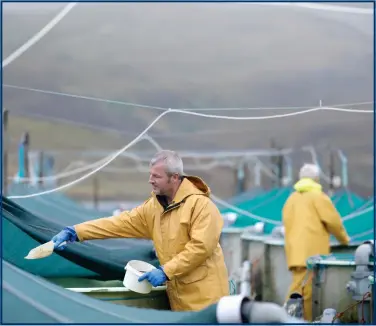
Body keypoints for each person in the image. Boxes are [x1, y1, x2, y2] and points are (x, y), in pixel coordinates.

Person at [51, 150, 229, 311]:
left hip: (208, 302)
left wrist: (165, 271)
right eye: (150, 175)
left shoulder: (201, 206)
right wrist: (76, 231)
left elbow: (201, 247)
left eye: (156, 176)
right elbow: (118, 223)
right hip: (179, 304)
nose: (150, 180)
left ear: (174, 177)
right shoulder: (154, 208)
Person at [282, 163, 350, 321]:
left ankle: (288, 319)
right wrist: (344, 240)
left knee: (298, 290)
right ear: (317, 179)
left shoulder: (291, 200)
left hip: (295, 253)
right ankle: (296, 321)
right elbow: (334, 222)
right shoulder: (318, 197)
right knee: (306, 294)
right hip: (312, 254)